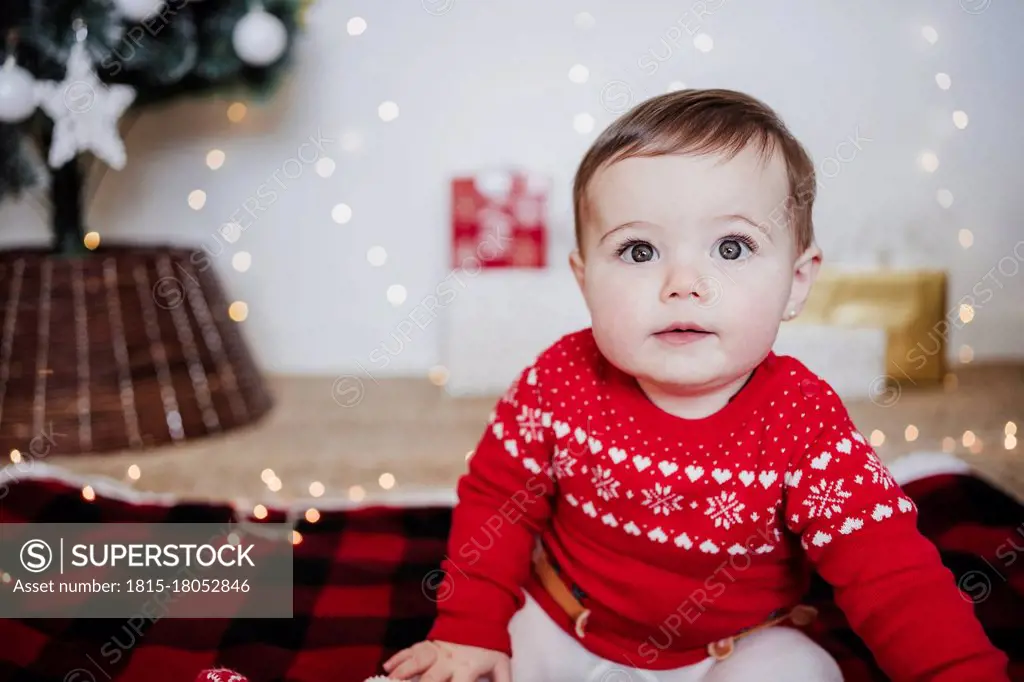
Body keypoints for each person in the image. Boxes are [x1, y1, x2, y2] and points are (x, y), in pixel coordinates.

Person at [380, 89, 1010, 681]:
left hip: (726, 651)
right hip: (562, 624)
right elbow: (499, 499)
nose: (683, 282)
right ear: (584, 279)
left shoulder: (803, 420)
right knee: (460, 664)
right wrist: (469, 627)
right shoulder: (560, 380)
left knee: (800, 670)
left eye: (731, 248)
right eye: (638, 251)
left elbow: (892, 577)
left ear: (796, 280)